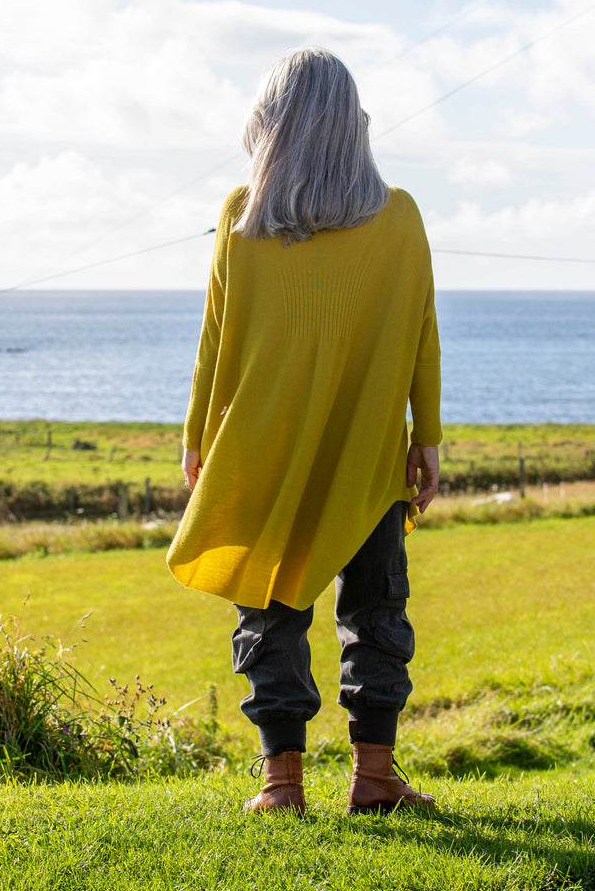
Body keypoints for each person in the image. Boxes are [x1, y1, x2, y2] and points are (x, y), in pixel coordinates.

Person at [166, 48, 441, 815]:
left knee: (269, 605)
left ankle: (281, 785)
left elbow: (213, 340)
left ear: (272, 124)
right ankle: (375, 776)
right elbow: (424, 335)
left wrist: (199, 437)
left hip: (261, 445)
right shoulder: (401, 216)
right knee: (377, 611)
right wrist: (428, 437)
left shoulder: (241, 215)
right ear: (349, 125)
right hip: (367, 447)